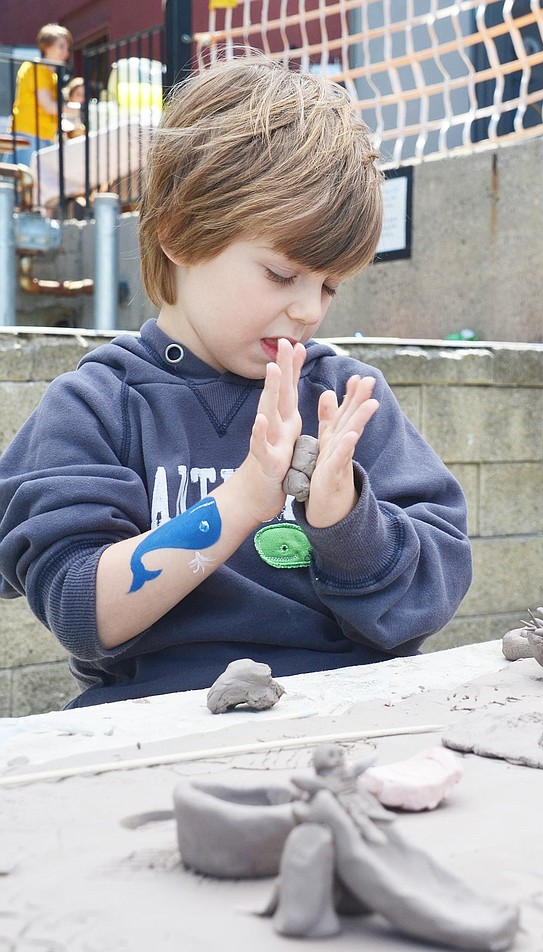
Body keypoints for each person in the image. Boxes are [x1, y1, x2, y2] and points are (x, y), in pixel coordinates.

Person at [0, 58, 472, 709]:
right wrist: (246, 497)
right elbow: (83, 611)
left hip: (346, 709)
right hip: (156, 724)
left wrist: (343, 520)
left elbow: (424, 602)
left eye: (329, 285)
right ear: (179, 235)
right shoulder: (98, 406)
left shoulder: (344, 400)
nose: (309, 309)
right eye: (282, 275)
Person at [10, 23, 72, 166]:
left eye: (67, 48)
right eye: (61, 46)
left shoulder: (52, 76)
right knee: (27, 183)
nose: (66, 53)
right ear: (47, 46)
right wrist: (76, 109)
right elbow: (49, 106)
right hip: (28, 134)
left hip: (45, 135)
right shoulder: (34, 68)